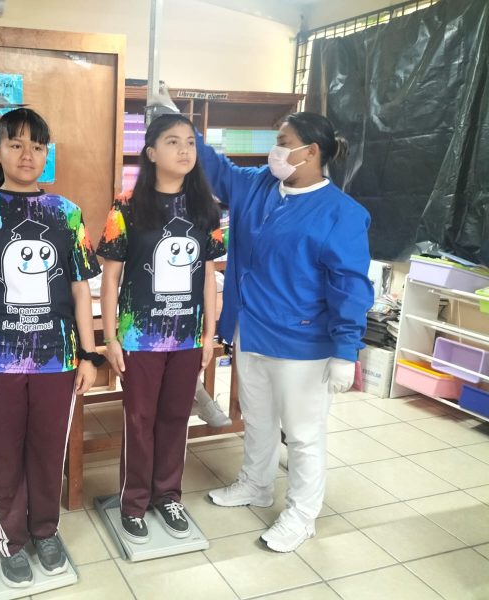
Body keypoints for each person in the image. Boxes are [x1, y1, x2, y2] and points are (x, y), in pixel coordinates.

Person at [0, 108, 101, 588]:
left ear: (47, 154)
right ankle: (10, 538)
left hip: (56, 359)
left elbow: (80, 290)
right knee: (3, 455)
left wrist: (88, 354)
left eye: (37, 146)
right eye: (16, 144)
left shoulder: (67, 213)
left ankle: (46, 531)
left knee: (48, 452)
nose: (27, 155)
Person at [198, 111, 373, 552]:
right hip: (251, 330)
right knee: (256, 418)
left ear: (311, 151)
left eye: (283, 141)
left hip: (302, 343)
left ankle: (301, 515)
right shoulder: (259, 186)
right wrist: (175, 121)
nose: (274, 151)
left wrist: (345, 349)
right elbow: (216, 169)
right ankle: (256, 484)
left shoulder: (341, 214)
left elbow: (351, 286)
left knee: (302, 433)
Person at [97, 113, 225, 543]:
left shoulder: (206, 208)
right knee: (140, 419)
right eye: (172, 142)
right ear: (151, 153)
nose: (184, 150)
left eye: (190, 142)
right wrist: (110, 338)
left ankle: (168, 495)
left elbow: (207, 277)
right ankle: (133, 501)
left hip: (187, 335)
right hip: (140, 336)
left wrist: (208, 335)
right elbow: (111, 279)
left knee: (176, 416)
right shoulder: (126, 207)